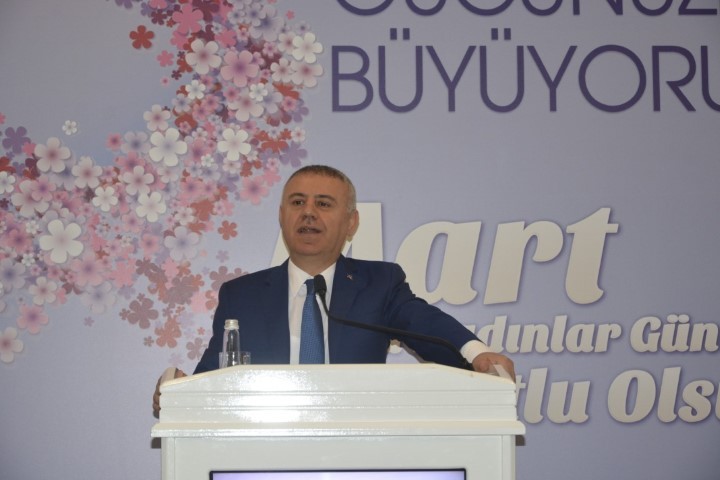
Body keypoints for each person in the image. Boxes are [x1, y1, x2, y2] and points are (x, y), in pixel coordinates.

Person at [153, 165, 514, 416]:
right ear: (282, 216)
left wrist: (478, 354)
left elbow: (425, 323)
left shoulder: (379, 284)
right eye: (297, 203)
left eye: (323, 204)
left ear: (351, 222)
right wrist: (178, 393)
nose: (308, 213)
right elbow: (213, 375)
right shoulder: (242, 295)